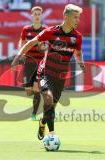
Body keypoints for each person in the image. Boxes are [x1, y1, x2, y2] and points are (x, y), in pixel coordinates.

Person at [12, 4, 85, 139]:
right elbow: (31, 42)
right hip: (45, 73)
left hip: (60, 76)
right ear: (66, 17)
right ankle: (52, 135)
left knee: (50, 107)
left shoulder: (78, 36)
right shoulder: (50, 31)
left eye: (78, 17)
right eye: (75, 17)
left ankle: (43, 122)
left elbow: (78, 53)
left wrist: (81, 63)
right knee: (48, 99)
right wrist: (18, 55)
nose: (77, 20)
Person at [19, 6, 47, 121]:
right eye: (35, 14)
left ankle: (34, 115)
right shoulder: (26, 29)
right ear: (31, 16)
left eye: (39, 14)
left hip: (40, 63)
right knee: (28, 91)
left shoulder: (45, 30)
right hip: (28, 62)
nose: (37, 16)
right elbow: (22, 42)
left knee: (37, 88)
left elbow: (47, 45)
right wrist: (21, 54)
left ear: (41, 16)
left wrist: (43, 47)